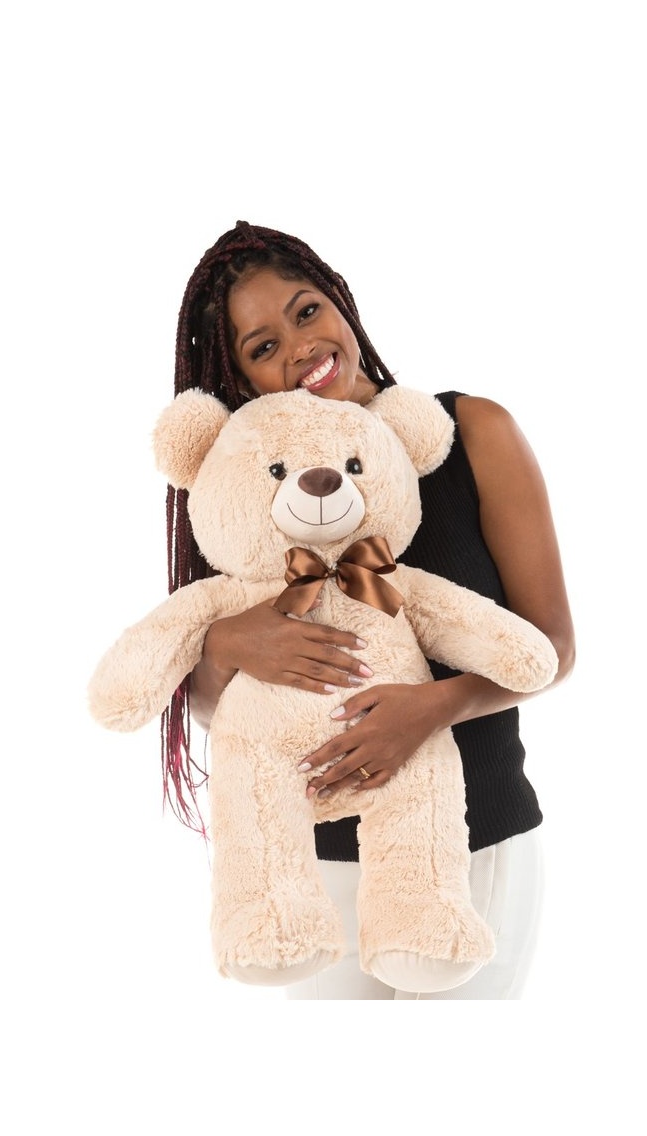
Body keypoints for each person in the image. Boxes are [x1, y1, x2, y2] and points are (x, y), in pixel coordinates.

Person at [162, 221, 575, 1000]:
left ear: (340, 302)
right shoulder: (252, 490)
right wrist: (224, 646)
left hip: (472, 842)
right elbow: (218, 711)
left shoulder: (472, 432)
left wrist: (433, 708)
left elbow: (551, 646)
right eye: (263, 346)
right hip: (318, 864)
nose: (301, 347)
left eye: (307, 311)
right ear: (241, 380)